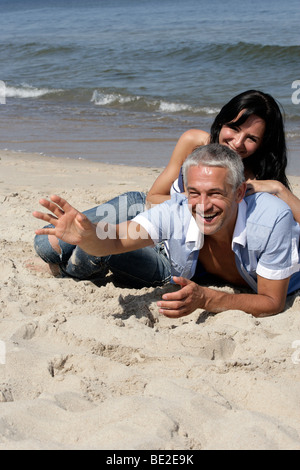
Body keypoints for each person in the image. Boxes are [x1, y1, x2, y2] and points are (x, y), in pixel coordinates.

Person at [34, 90, 300, 282]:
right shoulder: (194, 142)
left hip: (174, 246)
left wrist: (279, 189)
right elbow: (153, 195)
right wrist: (187, 206)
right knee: (47, 244)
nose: (238, 142)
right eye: (233, 128)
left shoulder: (251, 183)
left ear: (263, 144)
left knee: (93, 247)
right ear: (223, 121)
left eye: (251, 138)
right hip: (146, 208)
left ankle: (63, 272)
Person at [33, 144, 300, 318]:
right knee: (53, 245)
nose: (203, 205)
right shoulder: (179, 209)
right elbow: (116, 240)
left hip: (278, 276)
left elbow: (271, 302)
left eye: (215, 193)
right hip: (195, 265)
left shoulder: (272, 219)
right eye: (194, 193)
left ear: (240, 192)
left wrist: (207, 298)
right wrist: (89, 236)